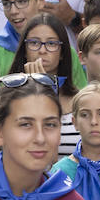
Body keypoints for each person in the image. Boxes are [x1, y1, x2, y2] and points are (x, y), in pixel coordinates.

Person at [10, 12, 83, 157]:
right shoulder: (8, 95)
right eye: (34, 43)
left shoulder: (80, 100)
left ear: (62, 53)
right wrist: (35, 89)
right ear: (24, 50)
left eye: (51, 43)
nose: (42, 50)